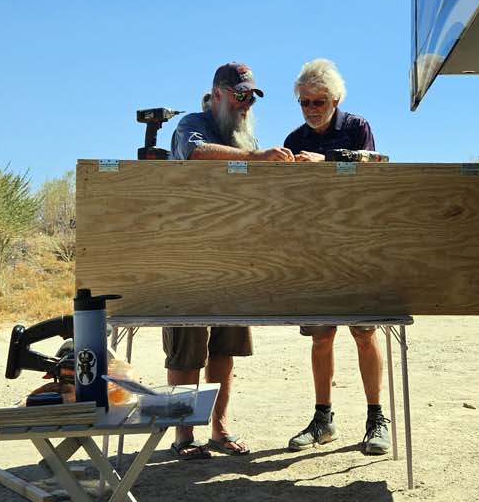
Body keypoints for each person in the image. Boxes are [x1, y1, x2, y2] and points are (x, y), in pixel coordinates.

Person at [165, 61, 292, 460]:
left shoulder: (247, 139)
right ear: (217, 93)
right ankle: (184, 435)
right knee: (187, 349)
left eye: (251, 97)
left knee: (225, 348)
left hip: (235, 259)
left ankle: (219, 429)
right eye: (240, 95)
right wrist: (257, 158)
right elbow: (197, 154)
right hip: (188, 256)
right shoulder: (192, 125)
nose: (246, 104)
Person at [281, 58, 390, 455]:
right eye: (305, 102)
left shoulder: (358, 127)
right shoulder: (293, 139)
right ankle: (322, 420)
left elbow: (376, 166)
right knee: (321, 337)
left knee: (364, 333)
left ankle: (376, 419)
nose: (311, 109)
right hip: (315, 251)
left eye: (319, 101)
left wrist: (325, 163)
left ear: (336, 99)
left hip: (357, 246)